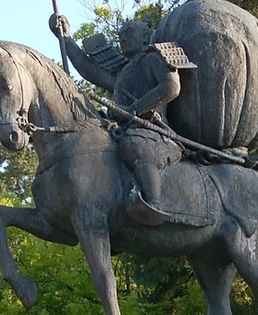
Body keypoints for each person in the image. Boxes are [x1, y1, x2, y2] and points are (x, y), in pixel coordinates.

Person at [49, 15, 187, 224]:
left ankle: (153, 203)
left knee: (138, 148)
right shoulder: (123, 71)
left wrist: (134, 109)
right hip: (122, 129)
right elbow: (88, 69)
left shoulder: (154, 57)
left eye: (128, 33)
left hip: (153, 131)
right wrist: (65, 39)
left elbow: (171, 87)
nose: (122, 38)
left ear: (145, 37)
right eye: (121, 35)